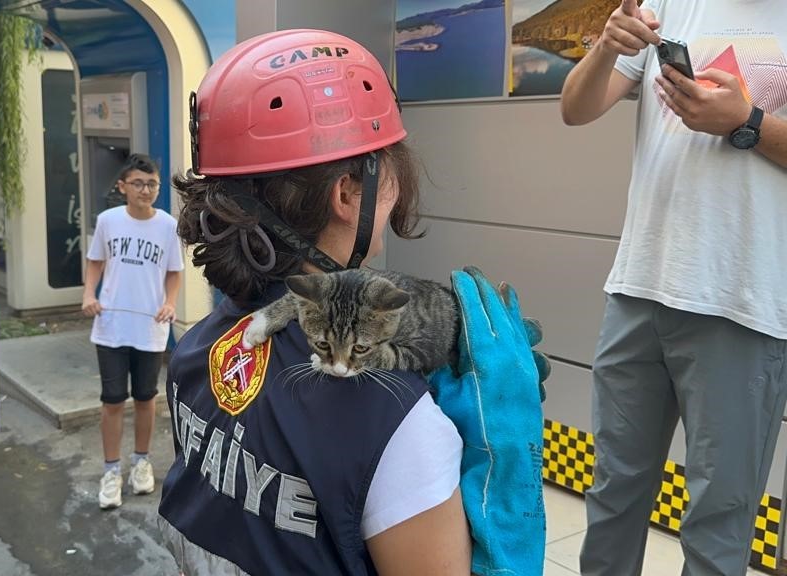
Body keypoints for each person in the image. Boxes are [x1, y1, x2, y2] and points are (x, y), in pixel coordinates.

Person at [157, 29, 547, 575]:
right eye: (389, 167)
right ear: (347, 194)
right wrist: (510, 477)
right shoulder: (398, 425)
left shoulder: (201, 345)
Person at [561, 1, 787, 574]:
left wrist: (748, 122)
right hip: (639, 287)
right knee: (613, 493)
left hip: (744, 301)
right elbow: (575, 109)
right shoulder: (667, 1)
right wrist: (608, 46)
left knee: (718, 519)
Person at [81, 153, 184, 510]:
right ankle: (111, 471)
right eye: (138, 183)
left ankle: (141, 461)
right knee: (111, 401)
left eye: (152, 183)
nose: (146, 190)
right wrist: (88, 294)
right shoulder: (109, 221)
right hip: (111, 326)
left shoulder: (168, 226)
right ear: (122, 186)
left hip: (150, 328)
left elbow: (174, 271)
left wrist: (170, 303)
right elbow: (95, 261)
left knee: (145, 398)